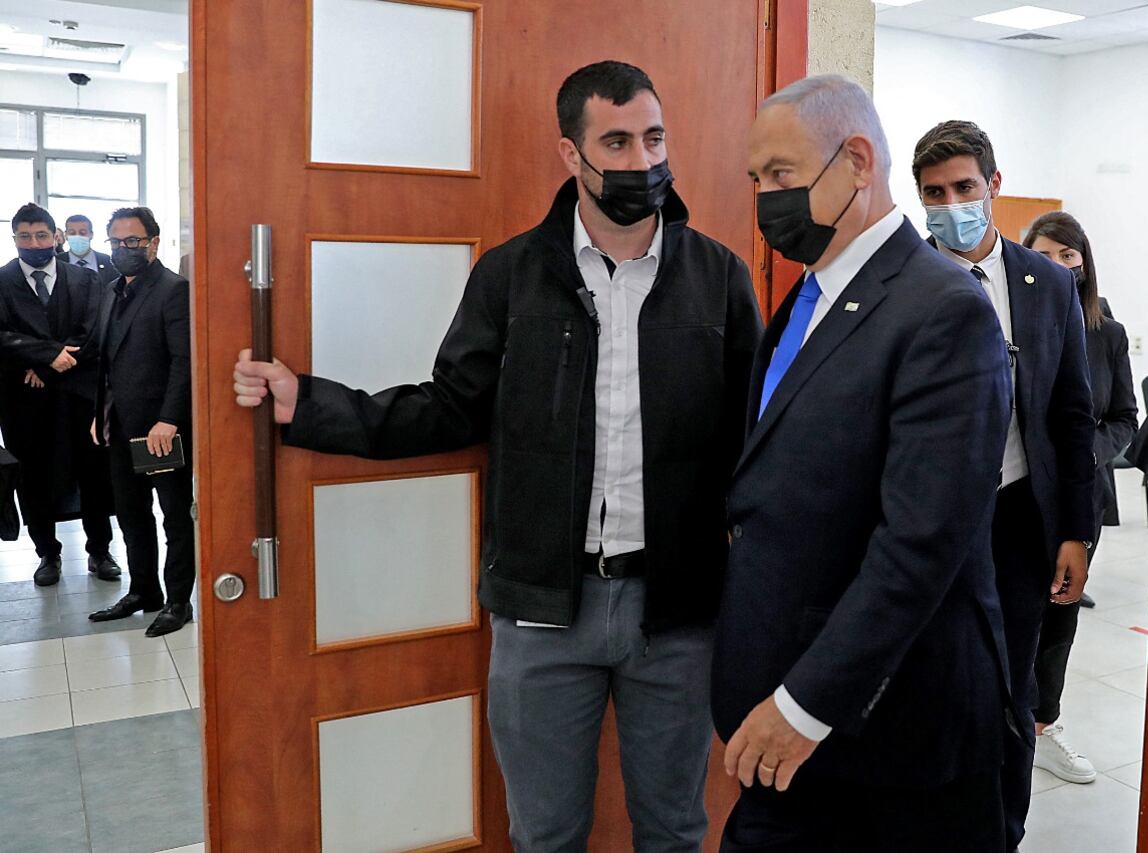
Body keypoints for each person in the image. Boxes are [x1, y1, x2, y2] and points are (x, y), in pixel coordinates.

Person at [233, 61, 762, 853]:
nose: (640, 162)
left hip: (678, 611)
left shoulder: (719, 276)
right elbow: (448, 407)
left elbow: (753, 438)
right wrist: (307, 403)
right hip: (543, 609)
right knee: (544, 833)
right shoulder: (514, 275)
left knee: (677, 829)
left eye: (653, 138)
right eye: (614, 141)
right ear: (569, 154)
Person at [711, 75, 1012, 852]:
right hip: (790, 722)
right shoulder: (804, 300)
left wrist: (805, 704)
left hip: (882, 733)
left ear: (856, 161)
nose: (764, 197)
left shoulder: (941, 308)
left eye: (780, 175)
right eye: (755, 180)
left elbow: (921, 542)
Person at [913, 120, 1095, 851]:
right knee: (929, 687)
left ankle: (1002, 831)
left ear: (993, 186)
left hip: (1018, 517)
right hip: (925, 523)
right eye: (933, 193)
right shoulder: (899, 283)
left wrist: (1077, 530)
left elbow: (1073, 413)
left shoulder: (1046, 283)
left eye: (963, 187)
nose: (950, 203)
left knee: (1012, 690)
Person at [1024, 211, 1138, 784]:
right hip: (1016, 493)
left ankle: (1043, 727)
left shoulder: (1106, 333)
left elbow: (1124, 417)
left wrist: (1086, 453)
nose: (1057, 266)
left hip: (1078, 494)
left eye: (1068, 256)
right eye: (1044, 255)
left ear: (1083, 264)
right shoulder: (1008, 320)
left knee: (1058, 618)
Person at [88, 206, 195, 638]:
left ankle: (177, 601)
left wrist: (169, 418)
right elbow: (106, 360)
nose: (124, 249)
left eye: (133, 241)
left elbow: (183, 360)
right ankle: (143, 591)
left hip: (159, 431)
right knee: (131, 515)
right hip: (120, 426)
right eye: (116, 242)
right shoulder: (112, 289)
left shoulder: (172, 289)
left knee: (173, 516)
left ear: (153, 242)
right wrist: (100, 413)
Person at [0, 203, 119, 586]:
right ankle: (47, 554)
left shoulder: (85, 280)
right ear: (14, 237)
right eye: (24, 236)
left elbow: (94, 332)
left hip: (78, 395)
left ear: (56, 238)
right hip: (23, 400)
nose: (33, 243)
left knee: (93, 474)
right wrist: (46, 355)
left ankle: (100, 552)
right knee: (32, 478)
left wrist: (48, 364)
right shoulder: (1, 282)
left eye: (41, 235)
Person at [58, 215, 120, 285]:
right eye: (72, 233)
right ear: (66, 235)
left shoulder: (107, 261)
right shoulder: (58, 261)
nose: (77, 236)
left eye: (82, 233)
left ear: (91, 234)